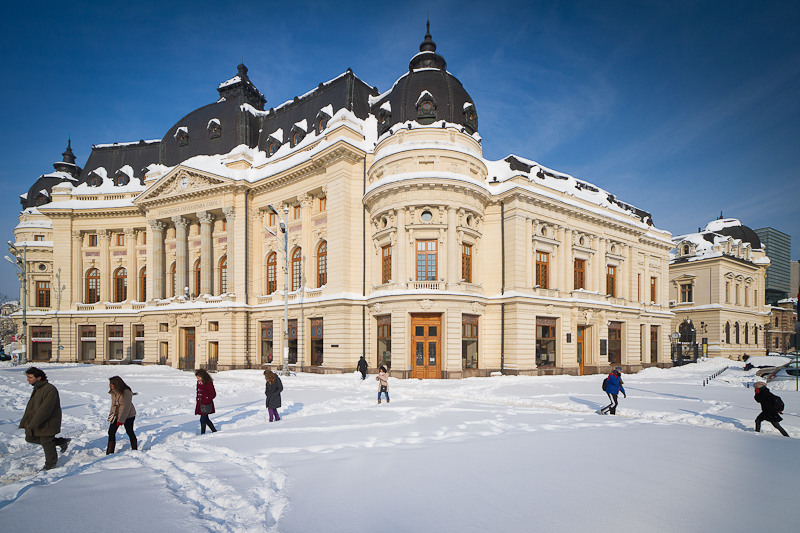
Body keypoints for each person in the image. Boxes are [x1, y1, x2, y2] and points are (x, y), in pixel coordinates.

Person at [19, 367, 70, 470]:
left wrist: (32, 424)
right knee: (30, 438)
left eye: (30, 377)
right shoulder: (37, 388)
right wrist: (26, 421)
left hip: (48, 422)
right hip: (38, 421)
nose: (28, 379)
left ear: (39, 378)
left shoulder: (50, 389)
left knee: (46, 441)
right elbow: (31, 407)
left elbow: (45, 410)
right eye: (27, 377)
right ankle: (61, 442)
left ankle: (50, 465)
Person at [106, 375, 138, 454]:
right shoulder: (113, 392)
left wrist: (121, 420)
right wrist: (111, 415)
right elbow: (113, 404)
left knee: (129, 432)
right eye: (110, 383)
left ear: (117, 383)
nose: (110, 385)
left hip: (128, 415)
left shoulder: (126, 392)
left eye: (112, 383)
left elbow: (126, 407)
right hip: (117, 415)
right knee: (111, 432)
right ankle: (110, 452)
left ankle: (134, 449)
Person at [195, 369, 217, 434]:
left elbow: (213, 394)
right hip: (200, 403)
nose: (197, 379)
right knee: (206, 419)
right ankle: (214, 430)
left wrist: (207, 399)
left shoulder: (208, 383)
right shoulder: (199, 382)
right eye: (197, 378)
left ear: (203, 376)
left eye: (199, 377)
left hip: (206, 404)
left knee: (202, 419)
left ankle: (203, 433)